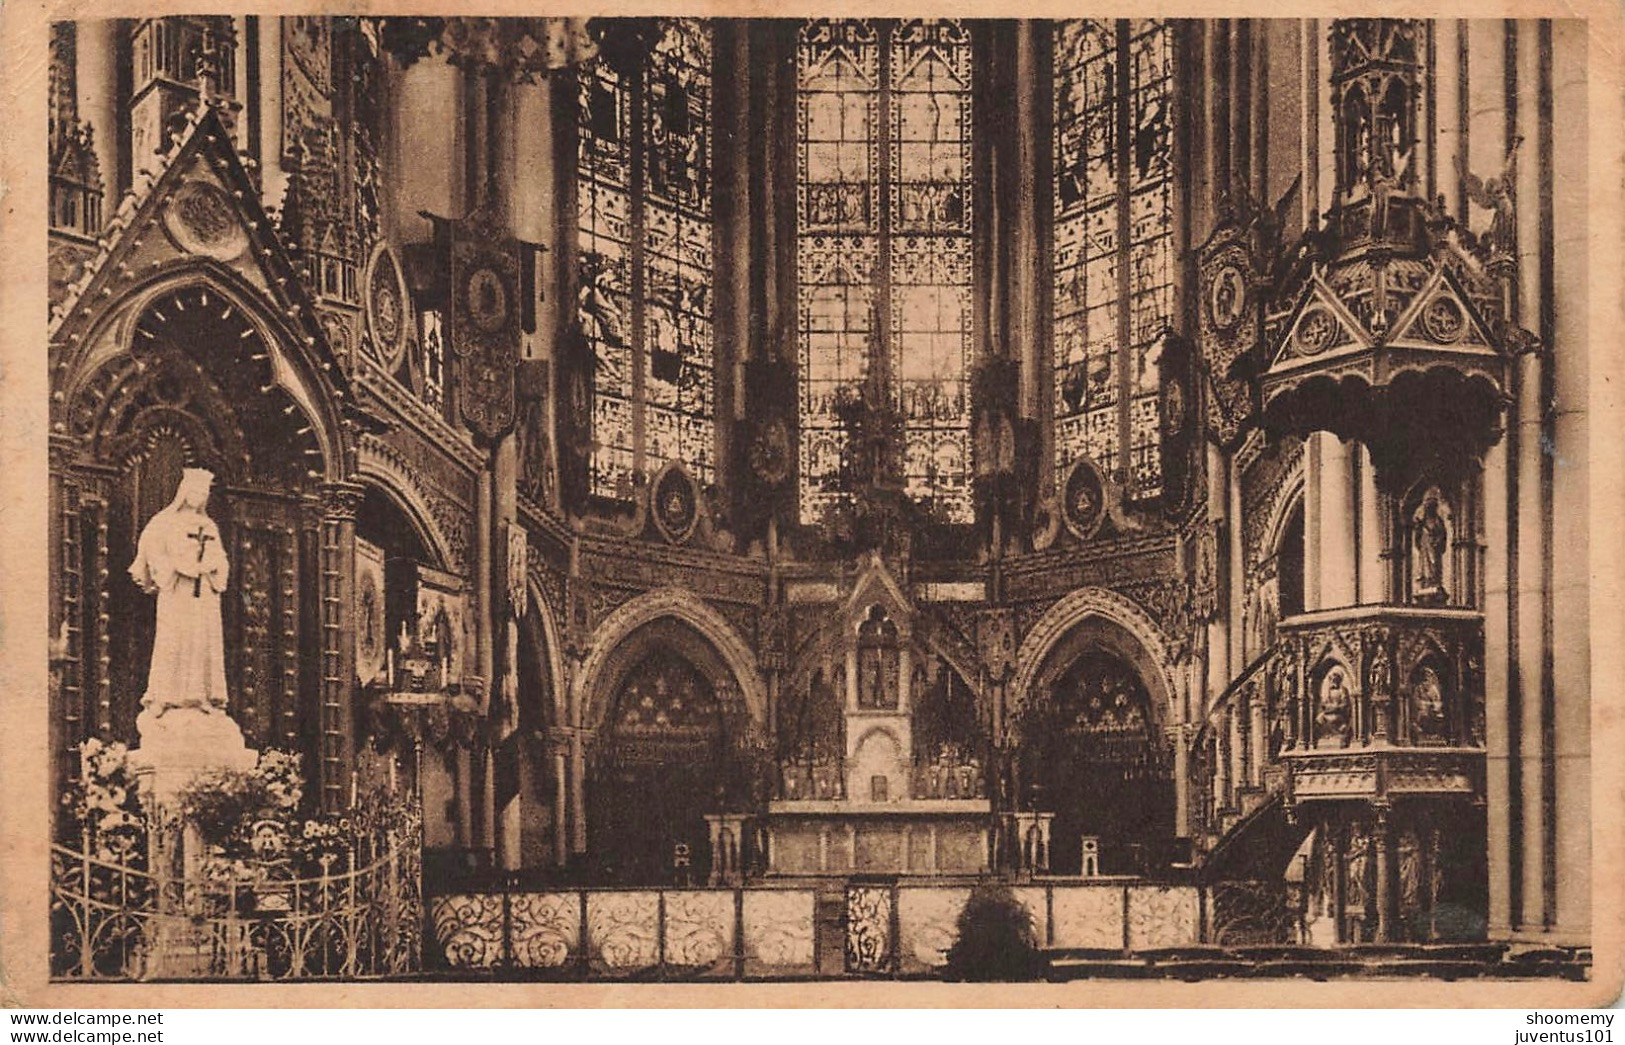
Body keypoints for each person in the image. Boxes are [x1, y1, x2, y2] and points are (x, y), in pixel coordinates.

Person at [128, 468, 231, 718]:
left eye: (203, 493)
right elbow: (151, 550)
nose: (199, 497)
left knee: (203, 642)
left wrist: (211, 566)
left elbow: (221, 559)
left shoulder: (209, 526)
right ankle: (163, 697)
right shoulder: (166, 522)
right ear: (184, 492)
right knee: (173, 641)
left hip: (204, 593)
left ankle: (202, 696)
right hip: (178, 591)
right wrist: (179, 566)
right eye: (195, 491)